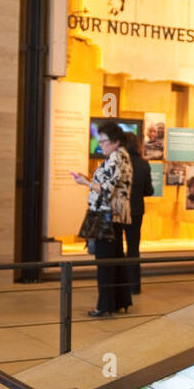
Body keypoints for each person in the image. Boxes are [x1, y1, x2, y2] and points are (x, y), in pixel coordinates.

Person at [71, 121, 133, 317]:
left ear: (115, 141)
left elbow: (106, 189)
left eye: (104, 141)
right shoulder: (122, 156)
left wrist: (85, 182)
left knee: (105, 263)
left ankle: (104, 306)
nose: (101, 145)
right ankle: (119, 301)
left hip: (107, 216)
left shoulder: (116, 157)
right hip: (115, 215)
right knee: (115, 260)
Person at [123, 131, 152, 295]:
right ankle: (134, 286)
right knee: (134, 248)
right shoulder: (143, 164)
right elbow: (149, 190)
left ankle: (119, 284)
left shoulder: (119, 163)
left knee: (118, 248)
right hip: (136, 210)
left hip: (119, 211)